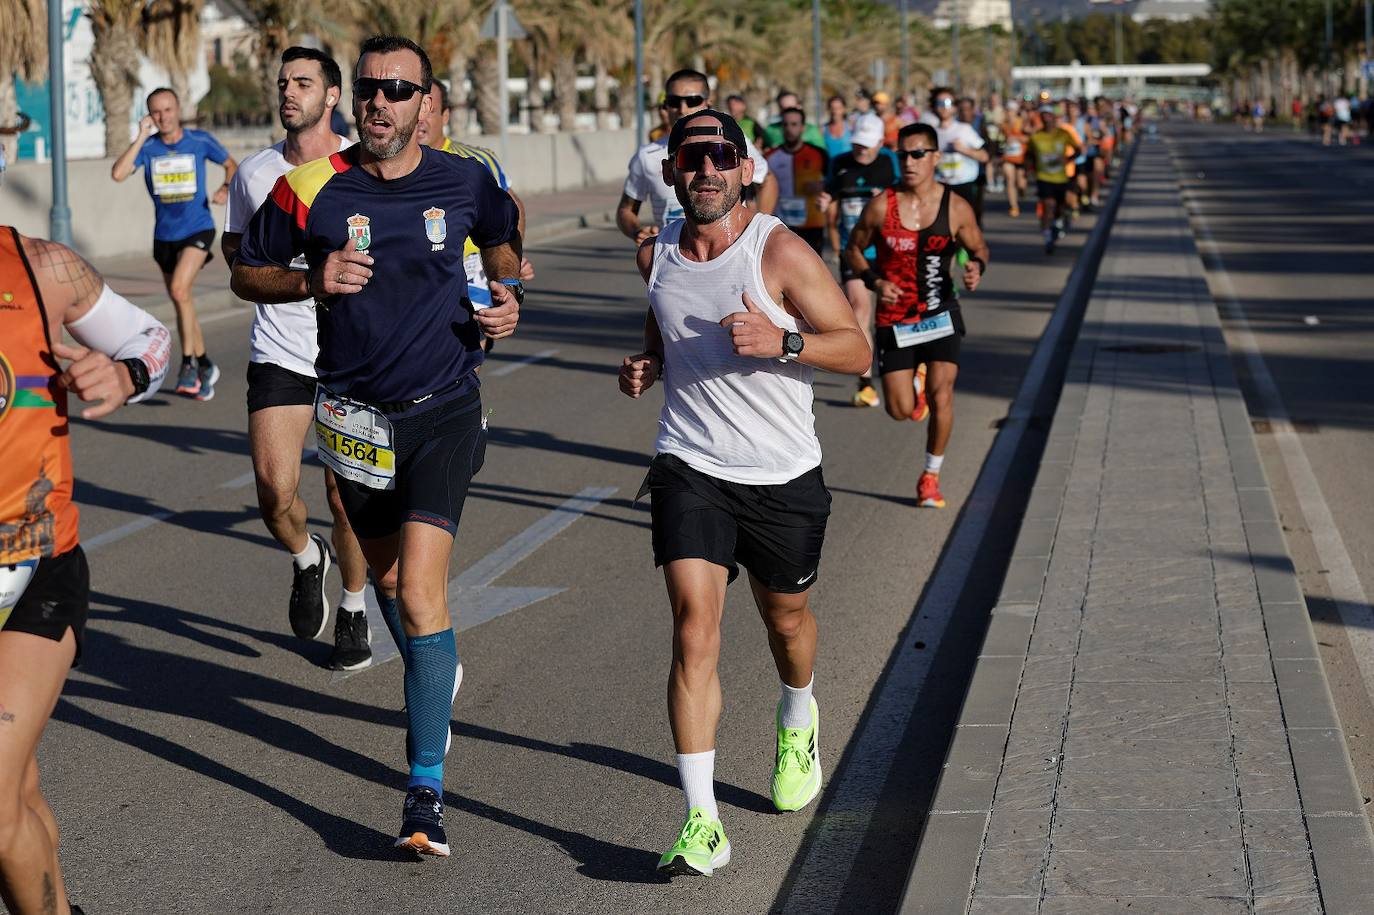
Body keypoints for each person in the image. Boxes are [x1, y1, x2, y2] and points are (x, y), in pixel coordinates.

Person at [231, 34, 523, 858]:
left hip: (442, 409)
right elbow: (247, 271)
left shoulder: (464, 177)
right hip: (355, 420)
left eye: (397, 90)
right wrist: (308, 280)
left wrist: (505, 296)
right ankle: (433, 665)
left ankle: (424, 793)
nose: (379, 102)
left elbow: (501, 240)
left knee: (421, 591)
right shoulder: (310, 187)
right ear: (351, 99)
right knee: (390, 578)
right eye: (368, 89)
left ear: (426, 102)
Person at [618, 108, 868, 877]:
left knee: (785, 618)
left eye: (721, 155)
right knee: (695, 626)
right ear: (670, 171)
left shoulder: (780, 251)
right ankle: (702, 819)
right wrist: (650, 362)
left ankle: (799, 713)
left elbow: (857, 348)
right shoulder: (652, 251)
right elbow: (665, 319)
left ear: (744, 168)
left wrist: (785, 339)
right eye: (692, 157)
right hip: (690, 465)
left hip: (781, 475)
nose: (706, 169)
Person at [0, 227, 170, 915]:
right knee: (19, 793)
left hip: (33, 567)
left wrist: (124, 373)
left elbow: (152, 341)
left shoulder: (41, 267)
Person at [221, 47, 373, 669]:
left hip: (352, 356)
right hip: (280, 349)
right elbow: (238, 257)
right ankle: (308, 556)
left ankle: (356, 605)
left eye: (303, 82)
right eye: (283, 81)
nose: (289, 91)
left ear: (332, 96)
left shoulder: (359, 170)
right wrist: (301, 277)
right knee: (272, 491)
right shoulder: (255, 174)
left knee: (346, 497)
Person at [843, 123, 989, 510]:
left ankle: (930, 476)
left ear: (936, 158)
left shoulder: (955, 206)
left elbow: (979, 248)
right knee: (899, 410)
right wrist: (874, 281)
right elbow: (852, 250)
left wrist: (975, 266)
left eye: (918, 154)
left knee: (943, 395)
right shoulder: (881, 205)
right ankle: (915, 385)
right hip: (895, 319)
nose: (909, 162)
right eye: (903, 154)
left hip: (941, 312)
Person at [111, 87, 237, 401]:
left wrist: (224, 188)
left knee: (180, 291)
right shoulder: (149, 147)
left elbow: (232, 165)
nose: (162, 117)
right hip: (164, 236)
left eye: (168, 110)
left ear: (177, 109)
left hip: (198, 228)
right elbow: (118, 173)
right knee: (183, 300)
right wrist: (140, 136)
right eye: (155, 112)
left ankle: (189, 363)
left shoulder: (199, 141)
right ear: (149, 115)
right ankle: (206, 361)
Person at [416, 78, 535, 334]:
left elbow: (512, 207)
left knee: (468, 356)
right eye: (415, 110)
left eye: (430, 110)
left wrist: (512, 260)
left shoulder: (475, 161)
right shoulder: (391, 168)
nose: (420, 119)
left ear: (445, 115)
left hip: (474, 274)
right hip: (422, 281)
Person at [618, 69, 776, 245]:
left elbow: (767, 180)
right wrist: (637, 232)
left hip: (731, 250)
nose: (682, 109)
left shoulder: (731, 142)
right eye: (674, 101)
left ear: (708, 103)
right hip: (675, 257)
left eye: (692, 100)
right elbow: (626, 209)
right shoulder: (647, 156)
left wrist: (759, 232)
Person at [822, 113, 898, 408]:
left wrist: (888, 198)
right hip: (854, 251)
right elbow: (829, 190)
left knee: (891, 312)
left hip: (889, 251)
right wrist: (825, 200)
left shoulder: (890, 161)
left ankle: (903, 365)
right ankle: (866, 384)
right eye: (857, 144)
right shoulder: (840, 162)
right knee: (859, 307)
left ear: (880, 142)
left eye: (867, 145)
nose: (861, 150)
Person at [767, 107, 829, 254]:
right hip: (781, 224)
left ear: (802, 127)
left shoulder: (818, 154)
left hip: (811, 224)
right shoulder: (770, 156)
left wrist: (822, 185)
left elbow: (833, 183)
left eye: (794, 124)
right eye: (786, 124)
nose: (789, 129)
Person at [928, 88, 989, 223]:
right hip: (940, 186)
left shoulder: (964, 129)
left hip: (964, 186)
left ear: (955, 107)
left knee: (968, 225)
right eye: (939, 103)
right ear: (933, 106)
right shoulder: (932, 133)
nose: (944, 107)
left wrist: (964, 150)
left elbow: (984, 156)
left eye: (948, 103)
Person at [1027, 104, 1078, 254]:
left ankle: (1058, 222)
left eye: (1049, 115)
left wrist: (1068, 159)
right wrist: (1029, 168)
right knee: (1047, 205)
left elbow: (1079, 149)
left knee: (1060, 207)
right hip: (1044, 177)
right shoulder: (1036, 136)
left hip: (1061, 178)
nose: (1046, 118)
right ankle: (1047, 236)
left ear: (1054, 118)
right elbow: (1029, 155)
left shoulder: (1063, 134)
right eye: (1043, 116)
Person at [759, 89, 825, 151]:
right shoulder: (771, 130)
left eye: (791, 108)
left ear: (799, 107)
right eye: (784, 108)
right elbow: (763, 151)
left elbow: (821, 155)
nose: (788, 112)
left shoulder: (812, 130)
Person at [1000, 100, 1028, 217]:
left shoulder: (1022, 123)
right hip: (1008, 156)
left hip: (1021, 157)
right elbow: (999, 140)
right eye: (1008, 110)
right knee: (1010, 180)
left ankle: (1022, 191)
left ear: (1016, 111)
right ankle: (1014, 206)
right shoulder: (1003, 125)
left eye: (1011, 110)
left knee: (1021, 184)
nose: (1009, 112)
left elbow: (1029, 138)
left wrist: (1017, 139)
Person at [822, 95, 852, 162]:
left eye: (838, 108)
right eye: (832, 108)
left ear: (844, 109)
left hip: (848, 168)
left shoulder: (851, 127)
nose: (835, 111)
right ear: (828, 109)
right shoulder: (823, 129)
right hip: (831, 168)